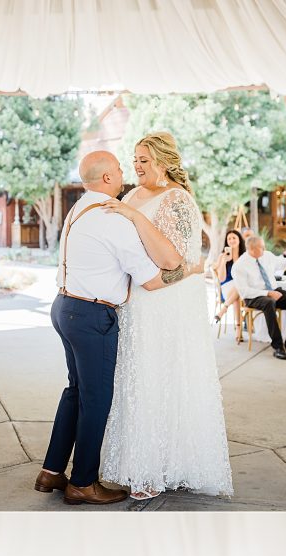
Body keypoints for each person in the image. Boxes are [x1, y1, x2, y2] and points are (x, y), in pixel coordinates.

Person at [37, 149, 185, 508]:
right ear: (106, 178)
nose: (125, 173)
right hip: (91, 317)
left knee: (75, 391)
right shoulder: (112, 218)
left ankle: (52, 470)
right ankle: (83, 482)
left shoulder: (78, 209)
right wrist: (188, 271)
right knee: (96, 400)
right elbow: (151, 280)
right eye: (120, 168)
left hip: (64, 307)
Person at [100, 132, 233, 500]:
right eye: (135, 159)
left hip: (167, 302)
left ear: (163, 161)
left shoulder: (177, 199)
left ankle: (160, 470)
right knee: (139, 377)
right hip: (137, 299)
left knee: (166, 376)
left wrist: (132, 217)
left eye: (143, 160)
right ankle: (141, 462)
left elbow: (174, 258)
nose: (137, 166)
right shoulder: (131, 195)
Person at [232, 234, 286, 359]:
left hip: (273, 291)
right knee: (269, 302)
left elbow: (284, 262)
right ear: (251, 249)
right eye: (261, 247)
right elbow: (244, 292)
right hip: (254, 296)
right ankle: (278, 347)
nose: (264, 248)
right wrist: (267, 293)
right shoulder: (239, 266)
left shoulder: (266, 256)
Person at [214, 229, 249, 343]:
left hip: (242, 288)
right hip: (227, 287)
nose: (232, 240)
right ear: (226, 242)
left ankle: (224, 309)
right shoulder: (222, 256)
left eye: (234, 237)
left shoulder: (245, 256)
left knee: (238, 288)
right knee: (237, 290)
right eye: (229, 238)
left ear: (239, 240)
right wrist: (224, 261)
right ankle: (239, 330)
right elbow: (222, 279)